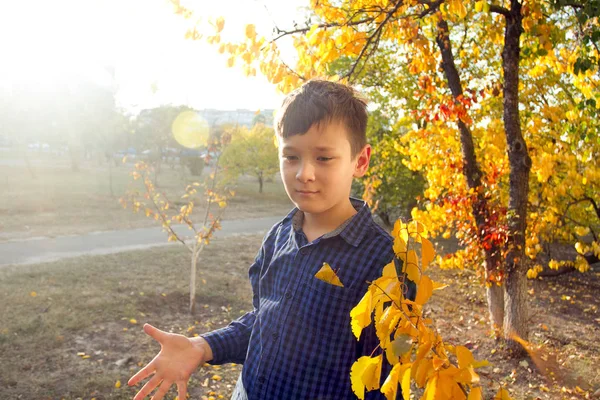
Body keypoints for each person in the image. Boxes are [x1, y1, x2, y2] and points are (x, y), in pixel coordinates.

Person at [128, 80, 411, 400]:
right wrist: (202, 346)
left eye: (324, 158)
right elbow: (265, 322)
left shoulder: (385, 261)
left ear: (359, 161)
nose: (304, 173)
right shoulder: (278, 237)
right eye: (291, 156)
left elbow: (386, 379)